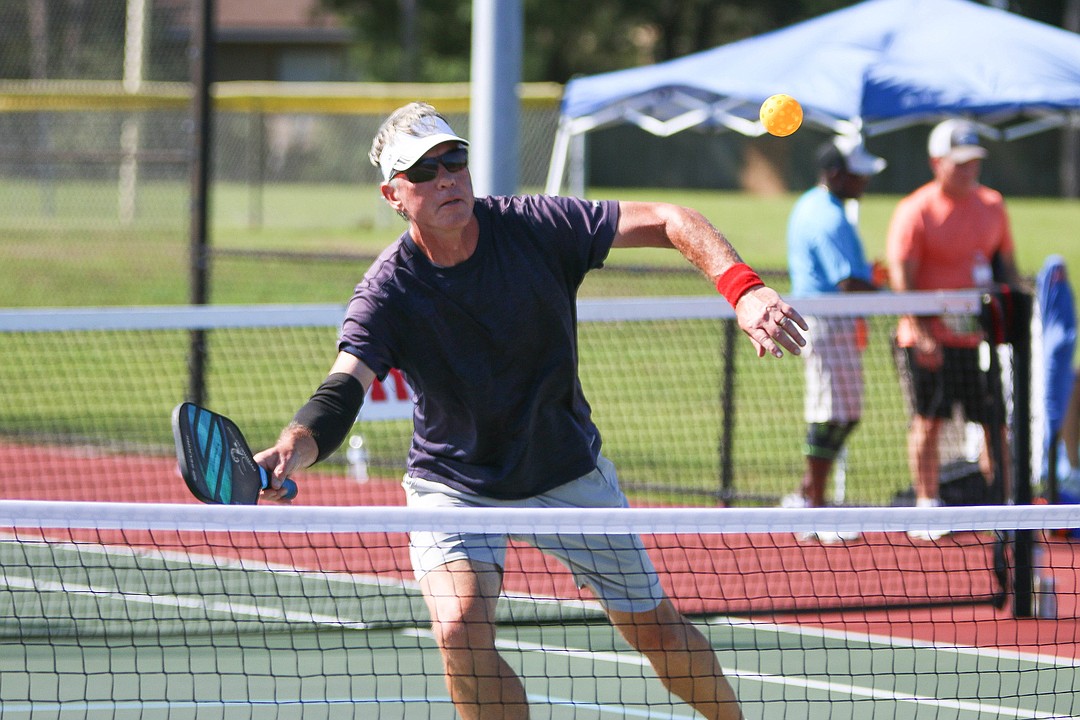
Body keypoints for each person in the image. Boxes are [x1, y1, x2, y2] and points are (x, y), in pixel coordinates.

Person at [253, 102, 807, 720]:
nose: (446, 179)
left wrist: (744, 288)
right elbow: (343, 388)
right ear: (394, 195)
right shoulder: (389, 290)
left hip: (566, 470)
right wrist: (295, 445)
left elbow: (671, 219)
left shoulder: (535, 226)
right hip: (455, 485)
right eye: (424, 171)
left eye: (454, 160)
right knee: (459, 629)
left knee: (658, 633)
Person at [886, 119, 1023, 538]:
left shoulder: (993, 205)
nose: (969, 170)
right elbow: (901, 275)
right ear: (937, 163)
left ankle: (1001, 504)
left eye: (973, 162)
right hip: (929, 341)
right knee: (929, 421)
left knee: (995, 422)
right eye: (959, 163)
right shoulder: (916, 210)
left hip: (977, 340)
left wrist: (1014, 315)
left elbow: (1007, 268)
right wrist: (922, 332)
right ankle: (927, 507)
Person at [784, 135, 886, 543]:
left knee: (844, 414)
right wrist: (892, 294)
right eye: (856, 174)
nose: (864, 181)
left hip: (832, 322)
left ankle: (807, 495)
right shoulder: (828, 216)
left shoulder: (818, 206)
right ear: (834, 174)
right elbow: (847, 281)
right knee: (829, 415)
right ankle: (814, 508)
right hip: (827, 322)